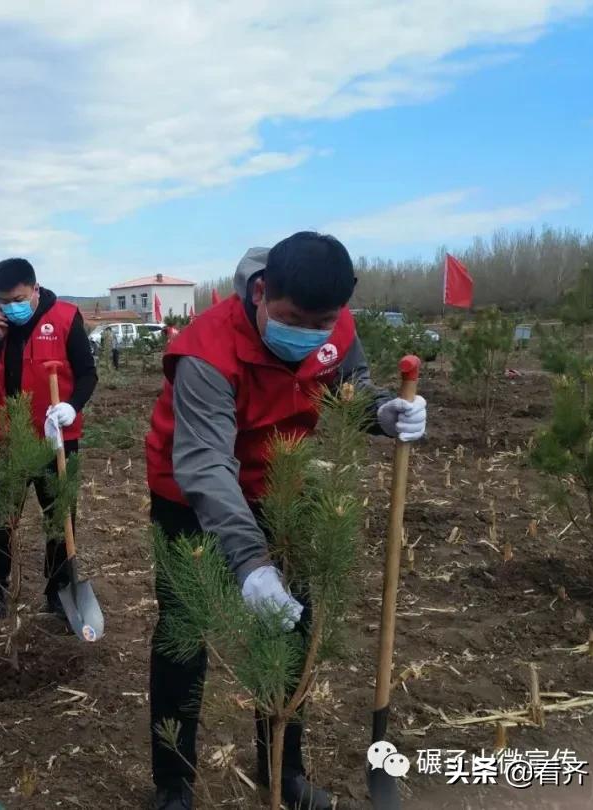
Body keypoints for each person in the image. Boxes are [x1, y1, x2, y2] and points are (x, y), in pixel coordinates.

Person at [143, 233, 428, 810]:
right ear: (260, 291)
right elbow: (205, 464)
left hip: (280, 488)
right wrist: (250, 565)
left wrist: (381, 412)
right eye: (296, 319)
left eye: (324, 321)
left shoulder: (335, 327)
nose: (312, 333)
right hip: (191, 491)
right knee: (184, 634)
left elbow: (349, 386)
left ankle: (284, 773)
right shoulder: (207, 351)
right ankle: (173, 785)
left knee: (291, 628)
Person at [0, 258, 97, 623]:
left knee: (59, 520)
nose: (11, 306)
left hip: (57, 441)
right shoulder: (2, 327)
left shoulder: (67, 318)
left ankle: (59, 594)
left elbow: (87, 374)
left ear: (35, 289)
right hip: (12, 440)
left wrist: (72, 406)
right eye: (4, 301)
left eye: (18, 298)